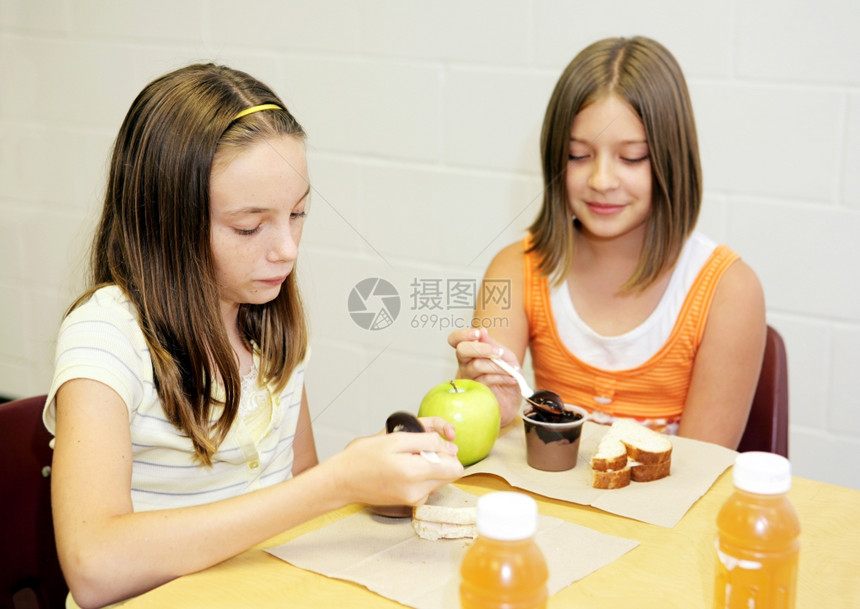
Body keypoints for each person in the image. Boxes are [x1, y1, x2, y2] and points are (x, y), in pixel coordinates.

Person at [44, 64, 463, 609]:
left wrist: (372, 481)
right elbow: (94, 567)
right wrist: (334, 485)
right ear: (167, 222)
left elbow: (297, 488)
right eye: (249, 227)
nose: (287, 248)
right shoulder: (105, 339)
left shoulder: (269, 320)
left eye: (297, 213)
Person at [449, 36, 766, 449]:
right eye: (578, 155)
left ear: (672, 159)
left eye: (632, 157)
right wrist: (485, 404)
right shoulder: (512, 270)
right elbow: (474, 442)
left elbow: (700, 480)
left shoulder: (730, 291)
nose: (600, 180)